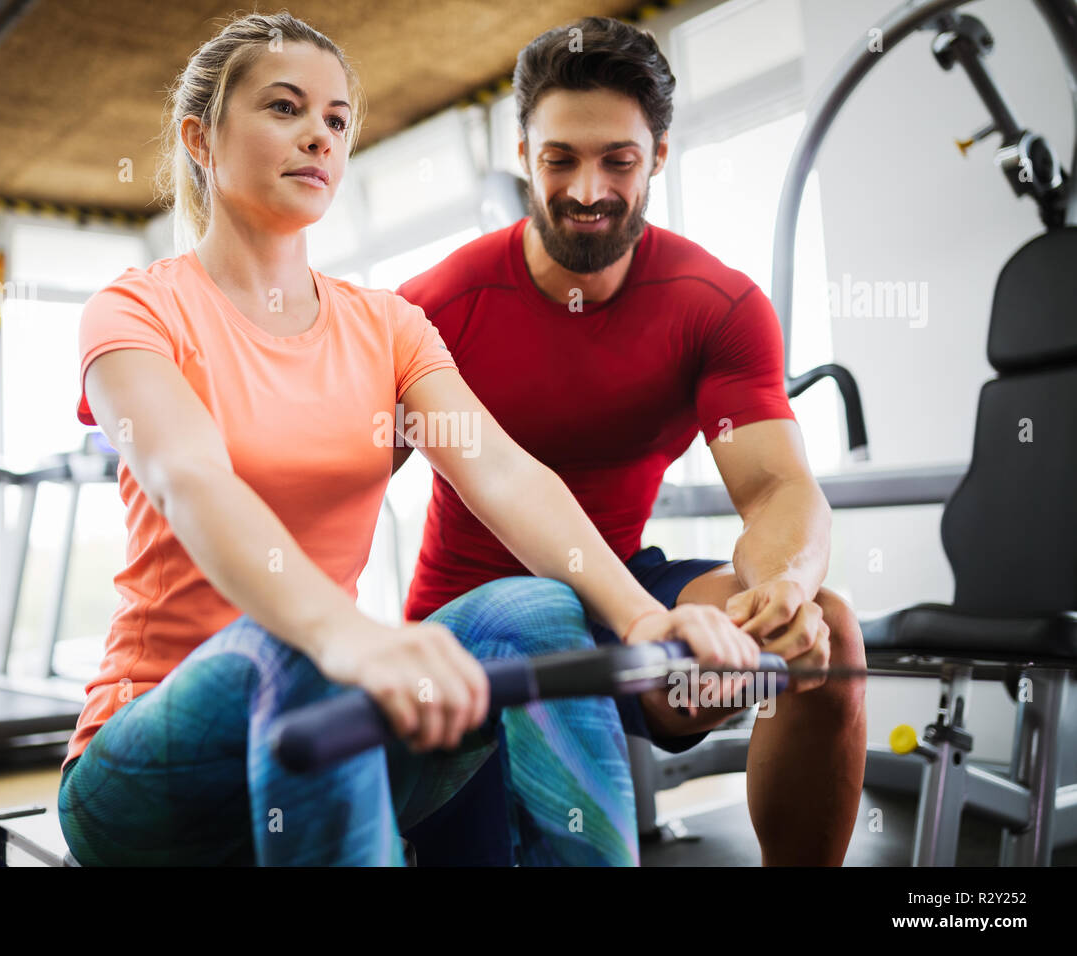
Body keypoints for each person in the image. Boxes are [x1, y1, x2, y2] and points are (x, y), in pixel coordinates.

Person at [56, 11, 764, 867]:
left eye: (337, 120)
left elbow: (505, 476)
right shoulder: (136, 311)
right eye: (285, 109)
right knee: (301, 648)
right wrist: (348, 638)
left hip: (334, 727)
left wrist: (648, 619)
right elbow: (191, 480)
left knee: (537, 608)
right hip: (147, 769)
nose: (318, 136)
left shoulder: (388, 327)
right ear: (200, 138)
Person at [397, 17, 867, 867]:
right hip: (465, 622)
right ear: (523, 154)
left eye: (617, 159)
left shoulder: (713, 307)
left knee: (824, 631)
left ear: (657, 155)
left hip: (622, 599)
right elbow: (339, 488)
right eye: (560, 159)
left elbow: (773, 490)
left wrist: (785, 588)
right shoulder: (437, 306)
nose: (587, 190)